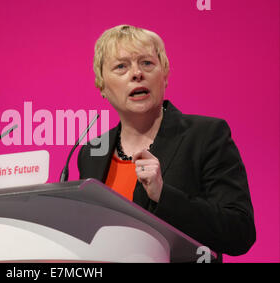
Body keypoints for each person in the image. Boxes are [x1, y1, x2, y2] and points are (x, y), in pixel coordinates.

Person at [77, 25, 256, 261]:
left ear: (165, 75)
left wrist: (163, 195)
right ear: (102, 85)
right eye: (121, 66)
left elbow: (239, 232)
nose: (136, 73)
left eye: (147, 63)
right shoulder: (91, 153)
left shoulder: (205, 136)